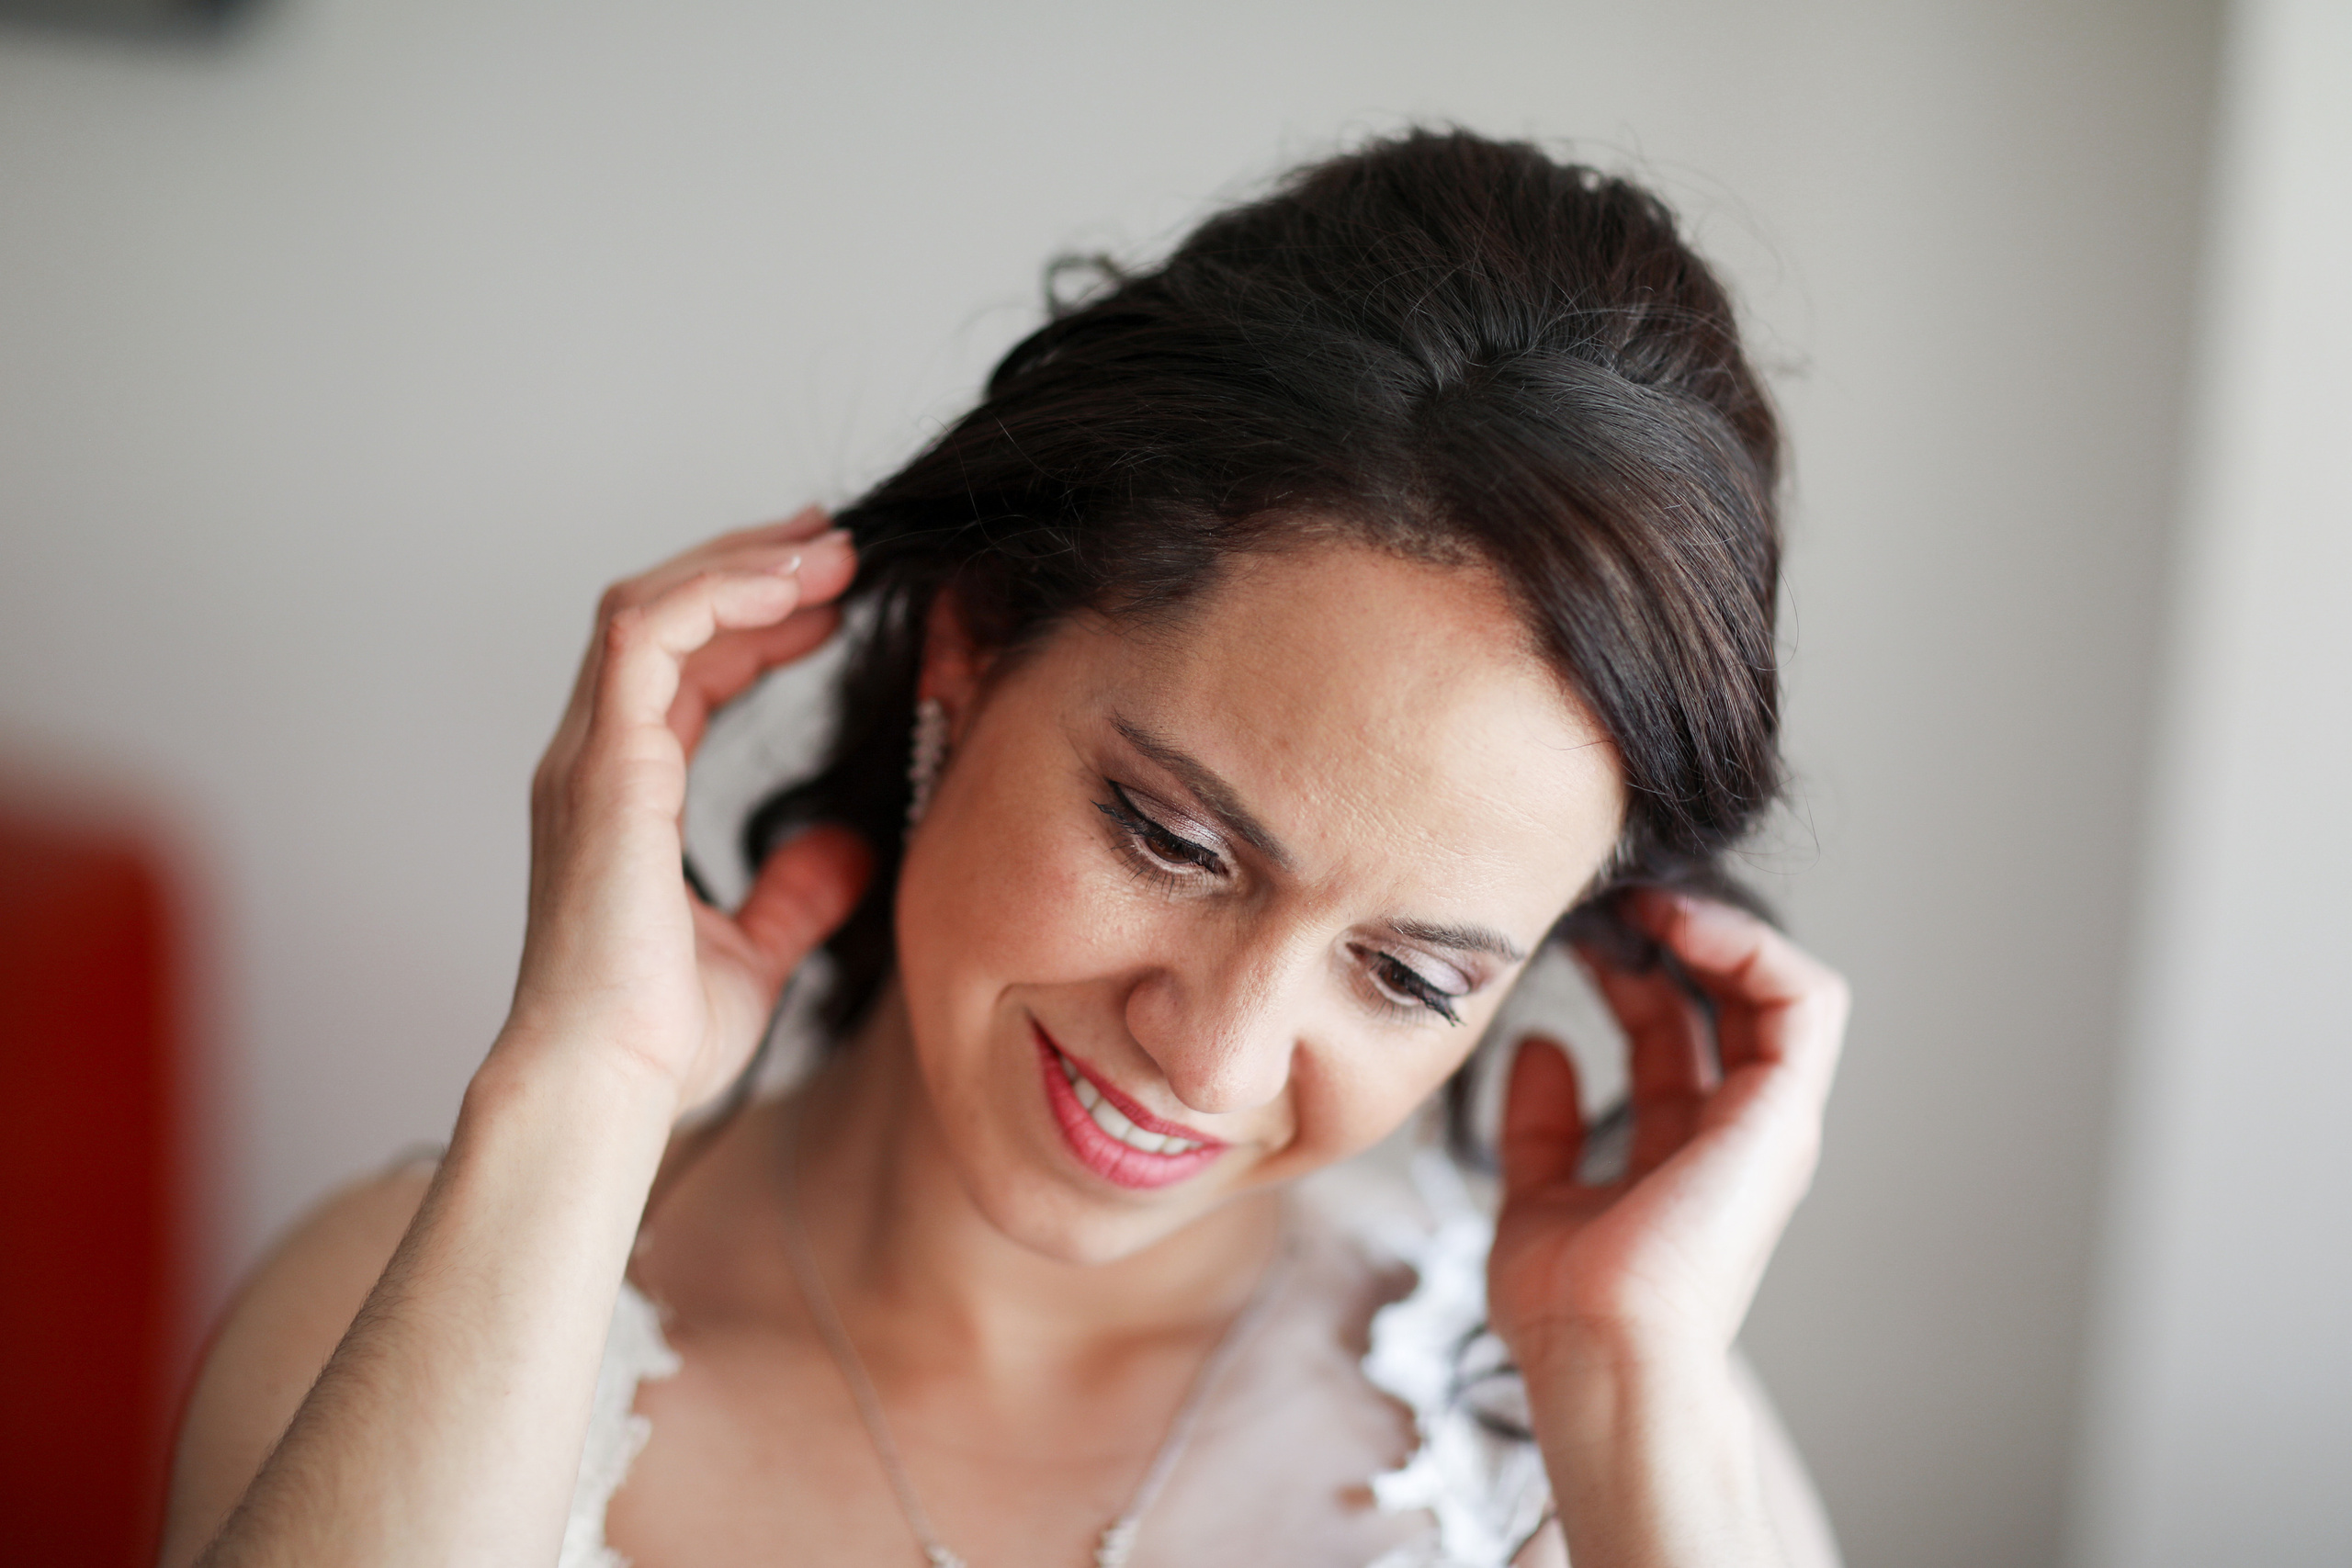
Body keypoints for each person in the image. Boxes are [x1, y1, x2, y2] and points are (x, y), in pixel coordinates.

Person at [161, 129, 1850, 1568]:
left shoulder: (1611, 1442)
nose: (1214, 1050)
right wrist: (584, 1090)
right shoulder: (390, 1321)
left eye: (1409, 974)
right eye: (1172, 837)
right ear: (969, 653)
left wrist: (1628, 1397)